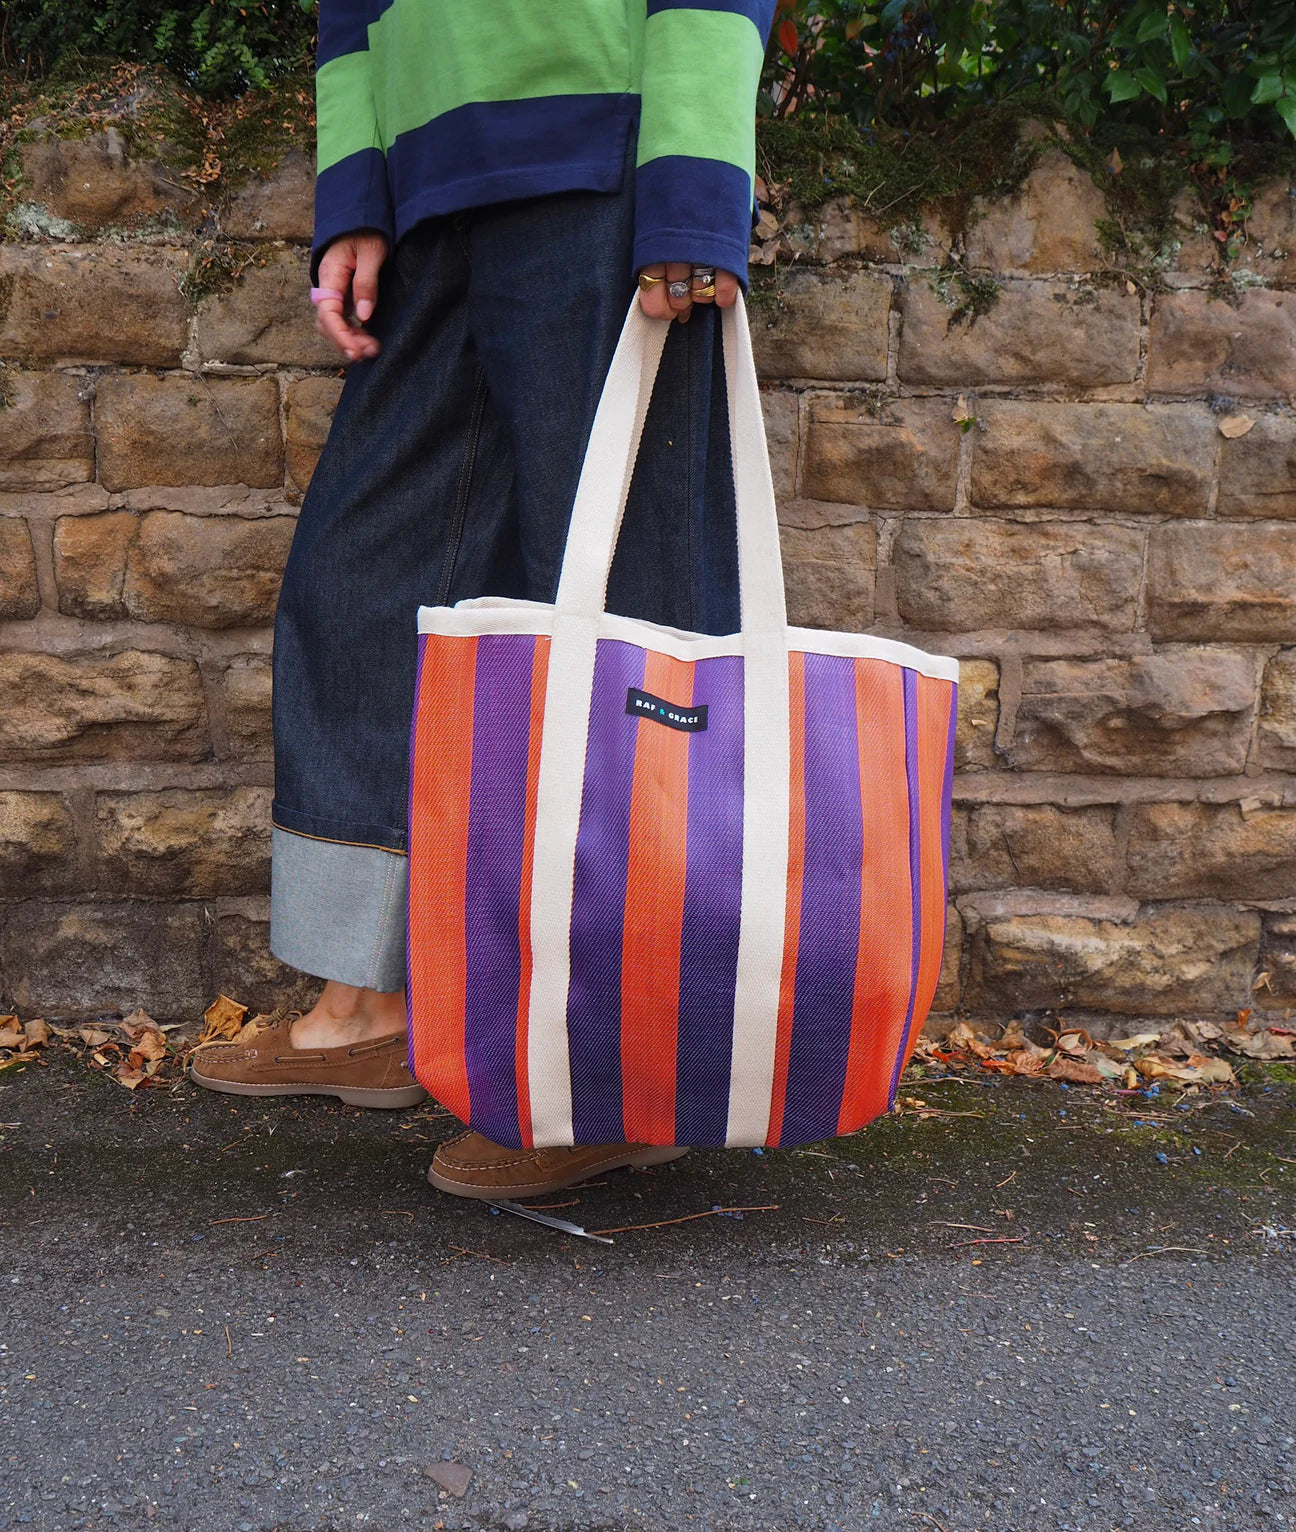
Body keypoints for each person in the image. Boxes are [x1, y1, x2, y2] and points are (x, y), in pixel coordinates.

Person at [191, 0, 776, 1199]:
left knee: (631, 622)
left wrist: (693, 183)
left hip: (606, 160)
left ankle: (620, 1071)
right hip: (431, 190)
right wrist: (356, 190)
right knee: (360, 579)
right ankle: (371, 991)